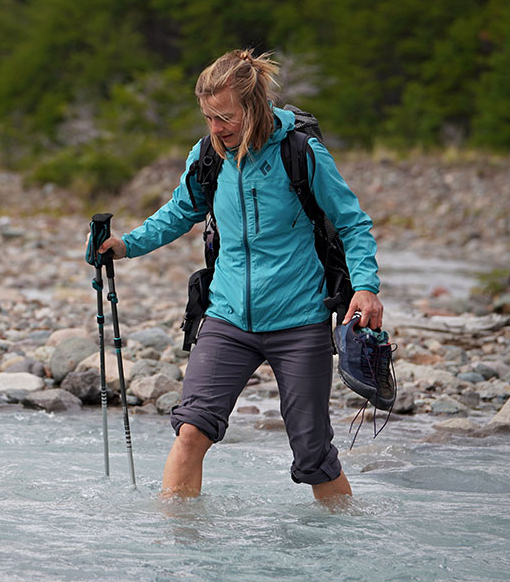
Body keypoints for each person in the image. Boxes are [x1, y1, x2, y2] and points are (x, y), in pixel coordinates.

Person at [97, 49, 383, 502]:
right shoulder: (208, 156)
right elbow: (180, 211)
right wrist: (126, 244)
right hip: (228, 317)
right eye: (208, 117)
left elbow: (351, 221)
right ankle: (178, 549)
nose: (215, 128)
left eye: (225, 117)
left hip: (299, 320)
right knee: (191, 431)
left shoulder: (300, 152)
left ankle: (345, 549)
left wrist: (366, 287)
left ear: (253, 107)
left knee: (312, 455)